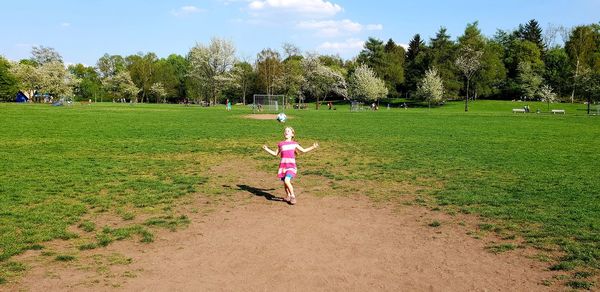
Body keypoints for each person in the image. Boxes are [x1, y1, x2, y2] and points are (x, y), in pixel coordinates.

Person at [262, 127, 318, 205]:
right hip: (283, 167)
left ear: (292, 134)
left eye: (288, 131)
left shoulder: (294, 143)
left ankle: (292, 196)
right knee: (285, 184)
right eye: (285, 131)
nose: (286, 132)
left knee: (286, 180)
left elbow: (303, 150)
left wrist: (313, 147)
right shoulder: (281, 144)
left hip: (291, 166)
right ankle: (288, 195)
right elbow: (275, 154)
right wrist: (266, 149)